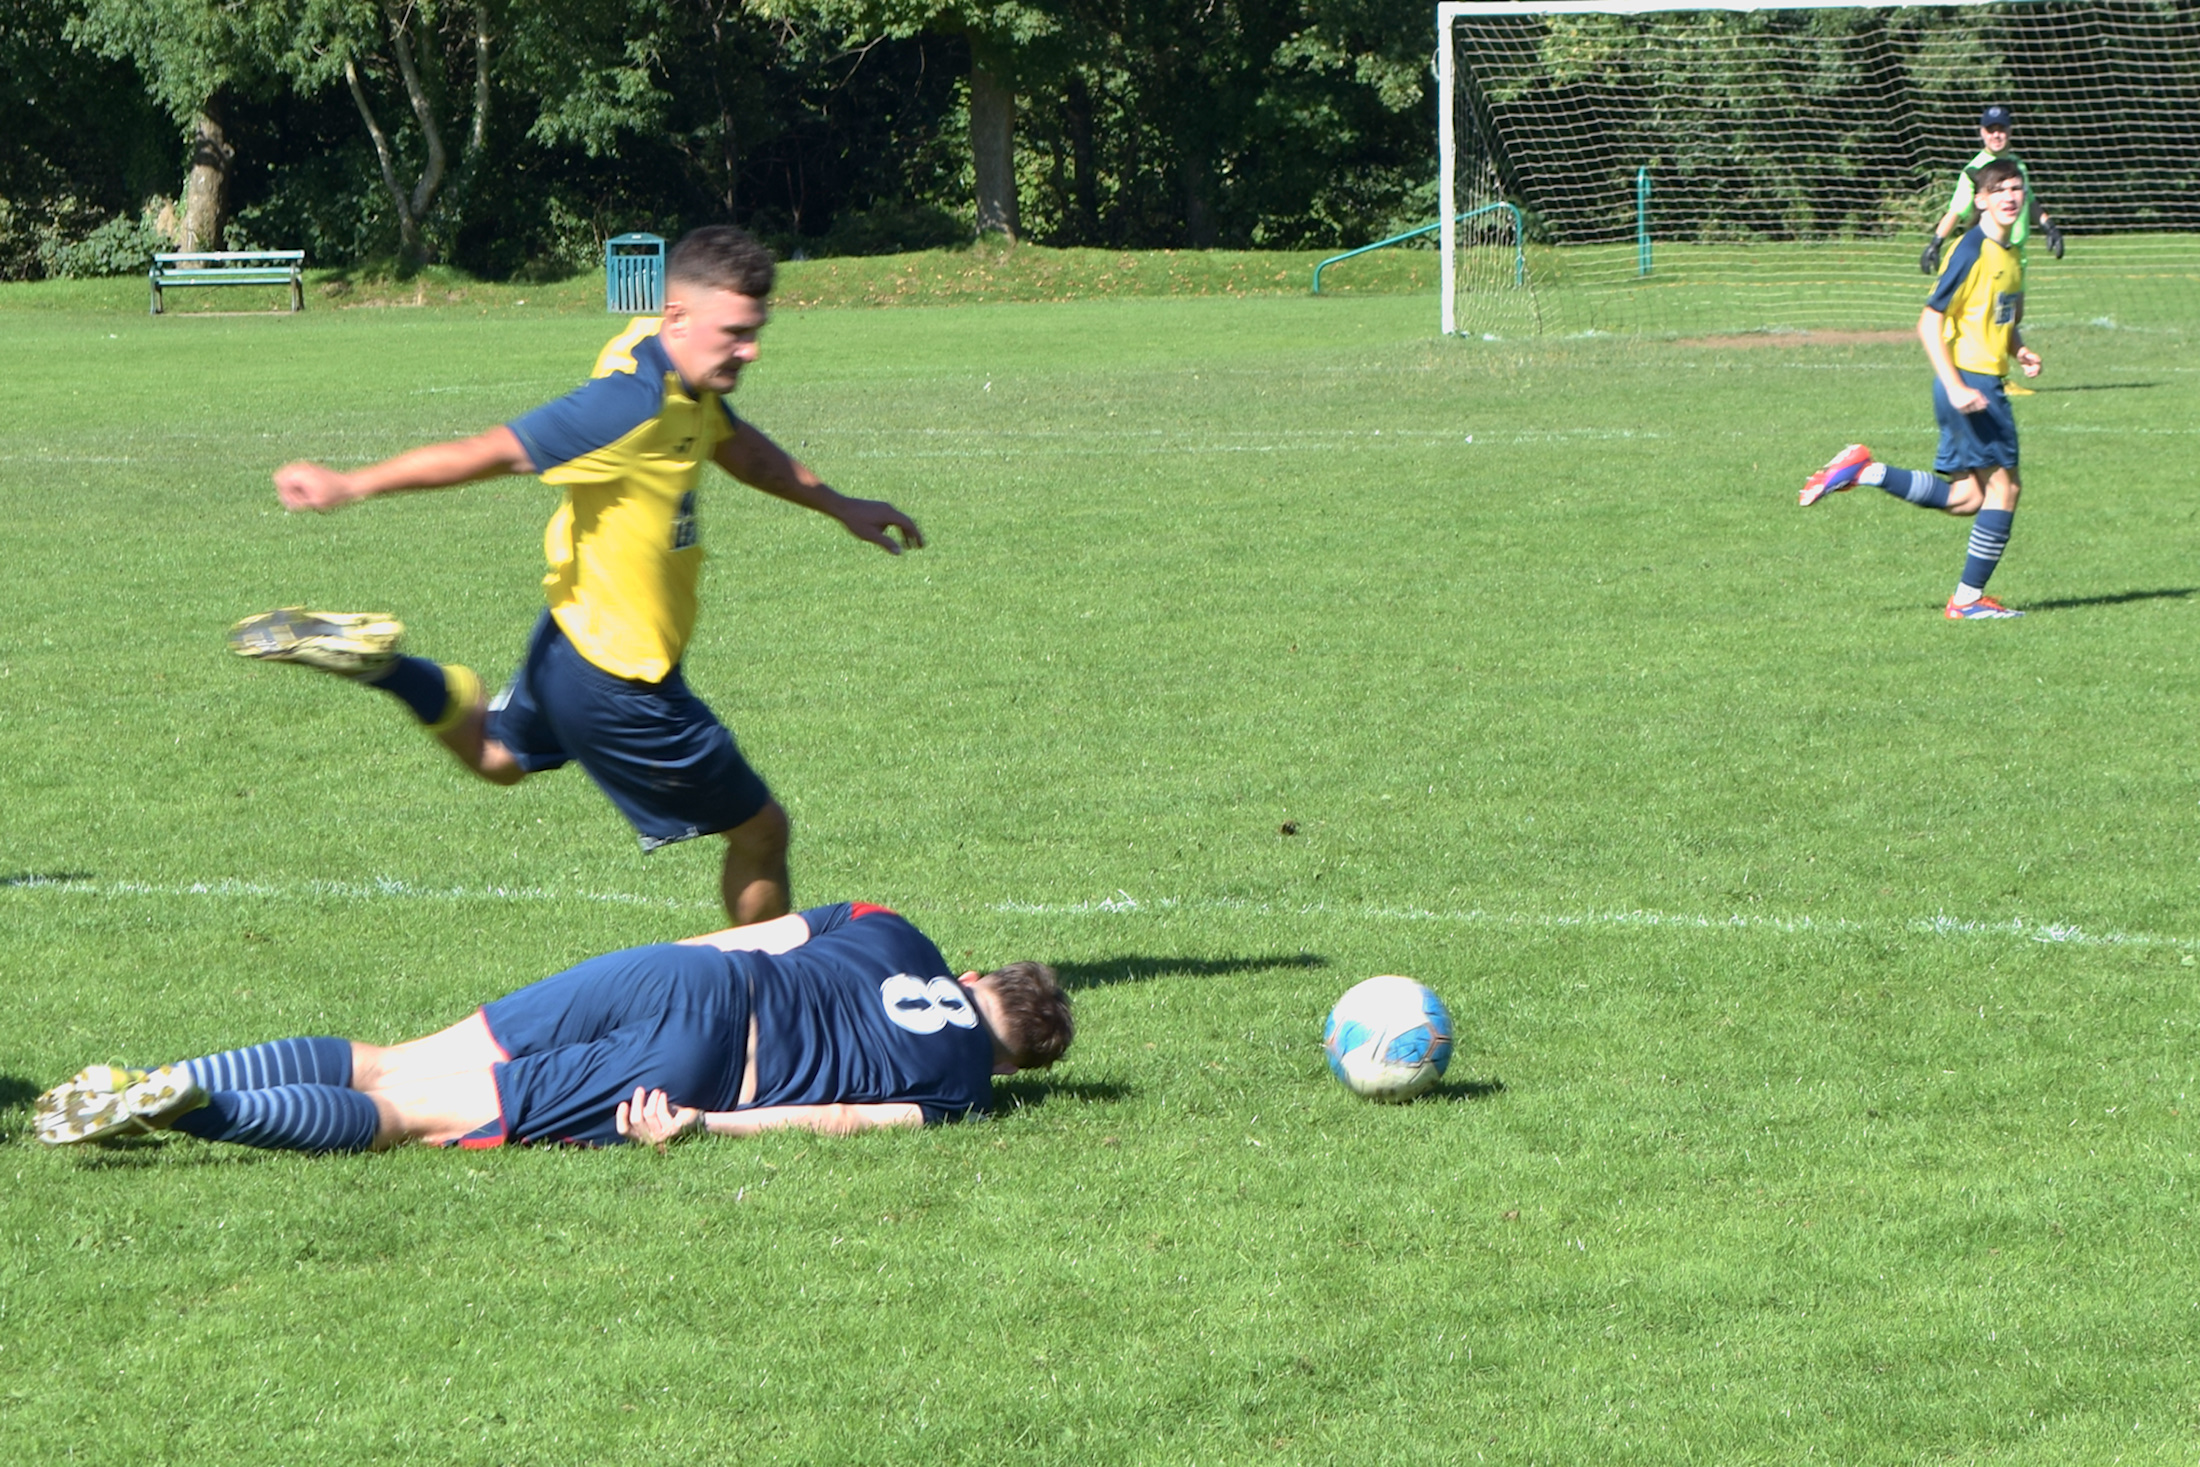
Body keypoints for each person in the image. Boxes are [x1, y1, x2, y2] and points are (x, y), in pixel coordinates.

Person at [231, 226, 923, 924]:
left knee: (498, 756)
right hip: (619, 681)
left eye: (756, 331)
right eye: (736, 333)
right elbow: (495, 451)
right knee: (763, 831)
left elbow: (737, 446)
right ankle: (774, 1005)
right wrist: (352, 484)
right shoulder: (629, 405)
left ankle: (390, 668)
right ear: (677, 318)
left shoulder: (679, 370)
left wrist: (836, 503)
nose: (751, 350)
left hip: (568, 636)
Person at [35, 901, 1072, 1153]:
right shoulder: (964, 1094)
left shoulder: (893, 928)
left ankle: (161, 1072)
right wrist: (701, 1126)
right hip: (708, 1062)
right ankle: (197, 1109)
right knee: (415, 1116)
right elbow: (848, 1117)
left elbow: (765, 930)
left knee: (396, 1055)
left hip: (682, 976)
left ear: (973, 974)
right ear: (1010, 1059)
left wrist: (662, 969)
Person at [1802, 157, 2041, 620]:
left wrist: (2019, 348)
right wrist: (1955, 385)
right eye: (2000, 190)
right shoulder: (1972, 248)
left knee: (1968, 498)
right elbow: (1929, 321)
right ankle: (1967, 601)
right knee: (2005, 490)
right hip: (1970, 383)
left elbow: (1999, 317)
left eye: (2017, 188)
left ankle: (1864, 471)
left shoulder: (2012, 254)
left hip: (1976, 379)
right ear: (1982, 200)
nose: (2011, 196)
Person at [1921, 104, 2063, 275]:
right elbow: (1956, 211)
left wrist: (2049, 227)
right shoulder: (1973, 170)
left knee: (2014, 302)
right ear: (1982, 132)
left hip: (2017, 255)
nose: (1996, 135)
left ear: (2009, 132)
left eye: (2001, 129)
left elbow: (2030, 201)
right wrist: (1936, 242)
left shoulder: (2018, 165)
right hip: (1988, 254)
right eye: (1990, 130)